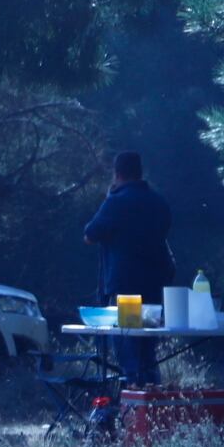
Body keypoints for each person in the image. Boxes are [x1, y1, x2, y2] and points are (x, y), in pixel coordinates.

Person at [85, 150, 175, 387]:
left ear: (117, 174)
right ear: (140, 171)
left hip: (126, 291)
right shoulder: (159, 202)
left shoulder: (116, 202)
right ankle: (153, 406)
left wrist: (108, 198)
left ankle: (133, 407)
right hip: (154, 288)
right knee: (147, 352)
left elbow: (90, 234)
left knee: (129, 352)